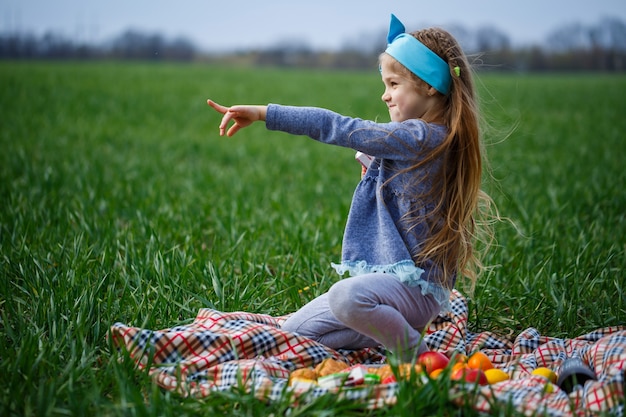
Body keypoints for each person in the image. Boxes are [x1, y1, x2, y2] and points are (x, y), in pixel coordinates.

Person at [207, 14, 493, 363]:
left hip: (413, 290)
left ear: (429, 86)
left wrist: (265, 113)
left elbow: (337, 126)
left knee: (346, 298)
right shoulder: (417, 140)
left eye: (394, 84)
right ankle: (392, 330)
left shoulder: (422, 137)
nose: (384, 95)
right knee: (297, 332)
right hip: (389, 285)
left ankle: (418, 359)